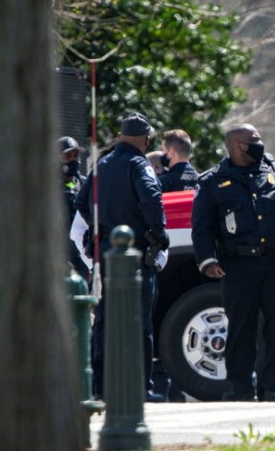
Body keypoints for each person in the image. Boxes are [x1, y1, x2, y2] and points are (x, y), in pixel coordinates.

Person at [191, 124, 275, 402]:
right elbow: (202, 227)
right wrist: (208, 261)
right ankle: (241, 387)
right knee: (241, 328)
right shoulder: (212, 181)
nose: (259, 143)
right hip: (238, 264)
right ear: (236, 146)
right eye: (253, 140)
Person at [75, 112, 169, 403]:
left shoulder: (101, 165)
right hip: (136, 252)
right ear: (146, 140)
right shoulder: (139, 165)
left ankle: (101, 385)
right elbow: (152, 199)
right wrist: (159, 235)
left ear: (119, 136)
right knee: (139, 321)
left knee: (104, 320)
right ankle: (139, 387)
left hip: (105, 253)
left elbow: (81, 202)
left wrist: (99, 229)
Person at [60, 136, 91, 282]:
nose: (73, 160)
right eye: (68, 156)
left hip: (81, 253)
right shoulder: (47, 187)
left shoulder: (84, 184)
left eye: (76, 155)